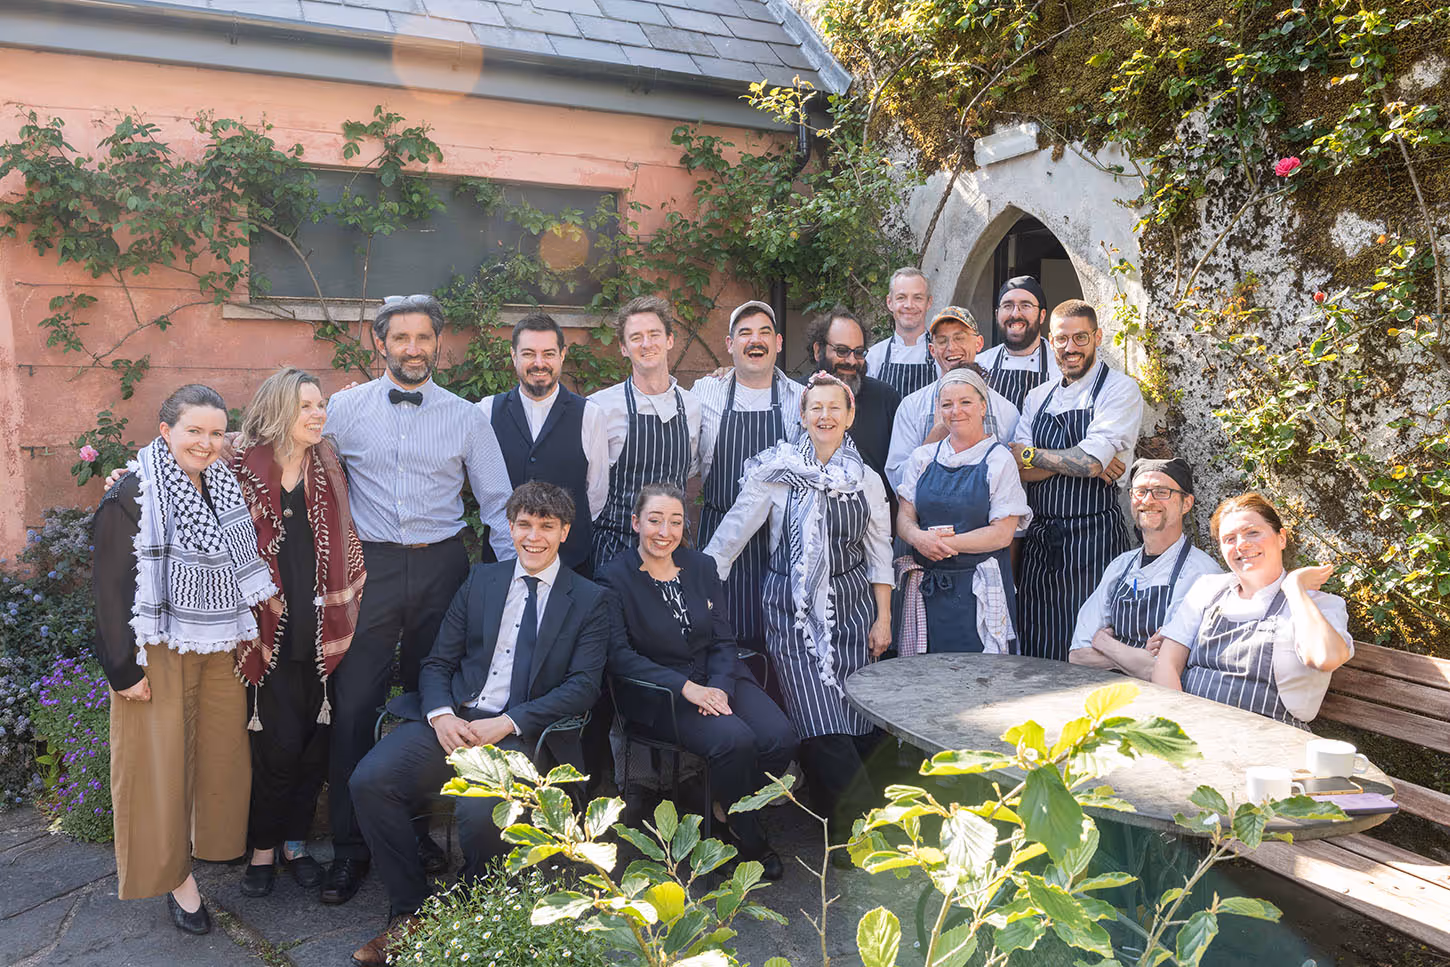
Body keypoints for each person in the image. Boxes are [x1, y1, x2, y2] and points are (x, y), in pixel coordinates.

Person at [348, 481, 610, 965]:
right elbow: (437, 662)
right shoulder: (482, 580)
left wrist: (509, 721)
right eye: (524, 525)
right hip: (455, 722)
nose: (533, 537)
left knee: (481, 811)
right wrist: (441, 715)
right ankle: (410, 911)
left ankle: (468, 911)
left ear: (565, 532)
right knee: (370, 780)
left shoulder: (590, 599)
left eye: (546, 526)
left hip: (520, 735)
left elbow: (582, 687)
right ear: (510, 528)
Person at [320, 293, 512, 904]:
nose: (412, 348)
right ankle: (349, 850)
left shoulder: (466, 417)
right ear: (380, 343)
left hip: (443, 568)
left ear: (437, 343)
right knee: (354, 705)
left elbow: (498, 504)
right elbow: (287, 453)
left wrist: (515, 583)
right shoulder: (343, 409)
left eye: (423, 337)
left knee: (436, 703)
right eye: (400, 338)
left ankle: (420, 834)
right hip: (369, 568)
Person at [91, 384, 275, 933]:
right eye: (194, 430)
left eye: (216, 433)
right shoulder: (132, 491)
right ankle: (176, 880)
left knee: (220, 755)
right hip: (156, 646)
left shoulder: (222, 484)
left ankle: (208, 846)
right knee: (159, 768)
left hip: (216, 642)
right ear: (165, 431)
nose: (205, 442)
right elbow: (109, 589)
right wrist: (122, 670)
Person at [705, 372, 893, 852]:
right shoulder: (778, 472)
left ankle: (838, 824)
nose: (825, 416)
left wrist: (883, 617)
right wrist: (697, 590)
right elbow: (729, 538)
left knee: (855, 719)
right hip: (792, 611)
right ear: (803, 416)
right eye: (816, 408)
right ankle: (862, 839)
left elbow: (880, 553)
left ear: (850, 417)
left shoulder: (866, 480)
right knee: (819, 718)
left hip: (853, 608)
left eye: (835, 408)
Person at [598, 483, 798, 881]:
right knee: (735, 740)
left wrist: (720, 686)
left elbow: (723, 638)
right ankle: (747, 835)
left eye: (675, 522)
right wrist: (686, 688)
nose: (665, 532)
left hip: (719, 675)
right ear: (636, 522)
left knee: (780, 738)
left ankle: (722, 805)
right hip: (663, 692)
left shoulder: (702, 567)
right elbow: (620, 657)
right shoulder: (613, 578)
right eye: (655, 520)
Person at [230, 368, 367, 897]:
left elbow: (346, 540)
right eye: (305, 405)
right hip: (267, 630)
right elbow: (177, 464)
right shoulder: (239, 466)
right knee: (277, 747)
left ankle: (295, 844)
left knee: (315, 746)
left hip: (323, 627)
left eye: (320, 404)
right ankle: (263, 848)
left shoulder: (328, 463)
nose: (318, 414)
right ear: (278, 409)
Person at [1011, 299, 1143, 662]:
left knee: (1086, 648)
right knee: (1036, 645)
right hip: (1040, 542)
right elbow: (1019, 468)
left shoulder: (1119, 389)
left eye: (1080, 338)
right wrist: (1080, 458)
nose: (1070, 347)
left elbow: (1087, 463)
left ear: (1097, 338)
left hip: (1094, 539)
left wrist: (1034, 454)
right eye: (1061, 339)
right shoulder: (1038, 396)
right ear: (1050, 340)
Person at [1152, 494, 1354, 726]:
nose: (1242, 544)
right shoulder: (1207, 589)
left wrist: (1294, 588)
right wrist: (1180, 728)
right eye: (1229, 539)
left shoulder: (1318, 605)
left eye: (1253, 532)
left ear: (1281, 538)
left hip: (1271, 740)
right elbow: (1166, 665)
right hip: (1193, 727)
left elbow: (1325, 658)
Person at [693, 300, 804, 656]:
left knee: (776, 641)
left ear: (779, 342)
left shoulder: (800, 398)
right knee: (718, 640)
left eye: (764, 333)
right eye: (745, 333)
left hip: (779, 543)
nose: (755, 341)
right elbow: (685, 462)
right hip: (719, 530)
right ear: (729, 344)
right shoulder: (705, 392)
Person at [895, 369, 1030, 655]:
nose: (956, 411)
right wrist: (917, 538)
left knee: (980, 677)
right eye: (947, 404)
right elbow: (905, 517)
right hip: (928, 590)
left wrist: (940, 544)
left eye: (965, 402)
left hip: (979, 590)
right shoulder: (922, 457)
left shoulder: (999, 460)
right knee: (927, 675)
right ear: (939, 410)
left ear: (983, 406)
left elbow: (1002, 534)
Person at [479, 312, 609, 578]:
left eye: (548, 354)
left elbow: (595, 495)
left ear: (562, 355)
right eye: (528, 354)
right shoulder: (486, 411)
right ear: (513, 356)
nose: (539, 363)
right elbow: (484, 493)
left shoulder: (590, 415)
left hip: (570, 566)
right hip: (502, 563)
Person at [1069, 458, 1221, 679]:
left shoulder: (1202, 574)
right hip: (1112, 694)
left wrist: (1105, 643)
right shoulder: (1120, 566)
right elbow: (1077, 655)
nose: (1148, 500)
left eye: (1161, 492)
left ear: (1186, 503)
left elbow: (1161, 668)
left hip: (1167, 697)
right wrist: (1139, 656)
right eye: (1140, 492)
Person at [588, 296, 702, 574]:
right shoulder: (600, 407)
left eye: (654, 334)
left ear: (669, 340)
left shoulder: (692, 406)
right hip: (615, 550)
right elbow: (590, 487)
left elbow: (689, 470)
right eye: (636, 337)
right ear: (623, 348)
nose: (646, 344)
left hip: (673, 550)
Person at [884, 306, 1020, 490]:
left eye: (960, 338)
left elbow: (1012, 482)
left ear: (979, 343)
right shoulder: (912, 407)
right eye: (942, 341)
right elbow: (897, 480)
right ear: (932, 350)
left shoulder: (1006, 410)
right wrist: (937, 434)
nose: (951, 347)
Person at [804, 306, 900, 494]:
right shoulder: (798, 394)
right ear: (818, 350)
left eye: (859, 352)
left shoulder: (886, 399)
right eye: (841, 351)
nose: (851, 361)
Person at [976, 276, 1061, 411]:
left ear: (1042, 315)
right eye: (1007, 306)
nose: (1015, 314)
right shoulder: (980, 365)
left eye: (1025, 305)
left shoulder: (1061, 367)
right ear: (997, 314)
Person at [864, 266, 935, 398]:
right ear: (889, 302)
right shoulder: (874, 357)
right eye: (901, 297)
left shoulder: (941, 354)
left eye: (918, 298)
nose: (909, 305)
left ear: (929, 302)